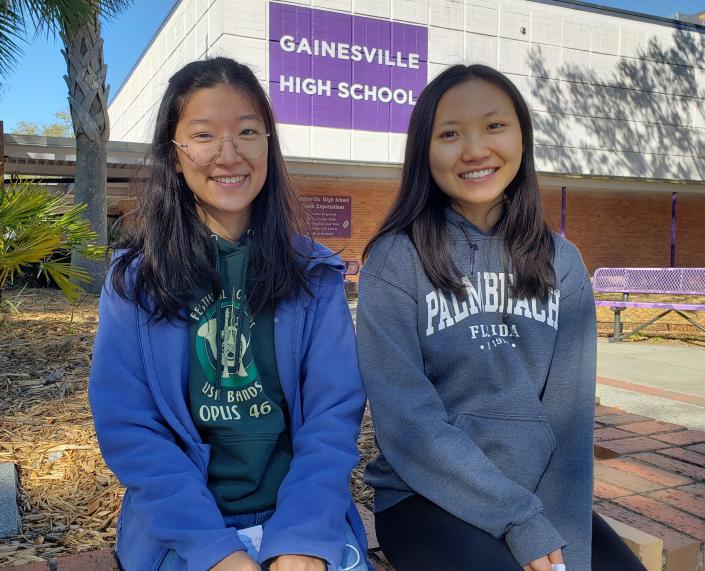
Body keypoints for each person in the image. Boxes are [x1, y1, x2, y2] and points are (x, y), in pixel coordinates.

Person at [356, 64, 646, 571]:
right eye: (449, 133)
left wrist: (557, 541)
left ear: (521, 136)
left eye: (494, 126)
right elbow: (407, 423)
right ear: (424, 150)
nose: (474, 149)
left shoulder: (562, 262)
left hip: (534, 494)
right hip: (426, 497)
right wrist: (518, 521)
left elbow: (569, 423)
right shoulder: (395, 259)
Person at [89, 57, 368, 571]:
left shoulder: (315, 275)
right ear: (174, 154)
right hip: (187, 530)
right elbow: (129, 427)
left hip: (297, 516)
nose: (228, 154)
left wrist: (304, 536)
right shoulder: (135, 281)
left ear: (268, 144)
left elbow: (332, 418)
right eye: (203, 135)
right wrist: (215, 553)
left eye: (246, 132)